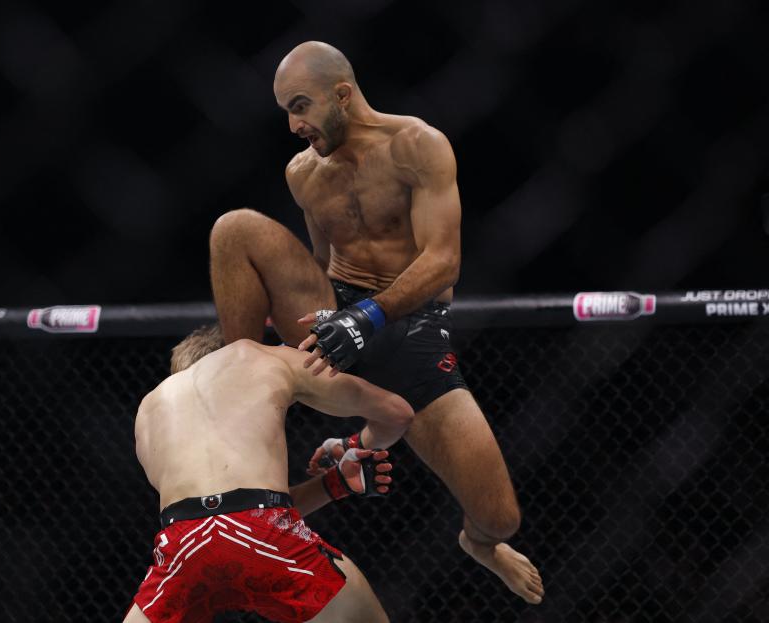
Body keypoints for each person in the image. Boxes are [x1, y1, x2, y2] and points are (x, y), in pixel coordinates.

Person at [209, 41, 544, 604]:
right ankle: (236, 389)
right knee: (234, 229)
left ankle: (480, 545)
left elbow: (443, 260)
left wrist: (371, 315)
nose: (293, 125)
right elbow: (319, 266)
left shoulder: (418, 145)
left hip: (411, 329)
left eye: (300, 106)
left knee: (499, 517)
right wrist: (296, 313)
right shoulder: (303, 173)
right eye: (285, 111)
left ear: (342, 94)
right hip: (337, 310)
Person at [123, 324, 413, 623]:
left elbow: (216, 520)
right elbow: (397, 413)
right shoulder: (258, 355)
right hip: (263, 530)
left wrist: (332, 484)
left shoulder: (148, 409)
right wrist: (355, 444)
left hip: (184, 542)